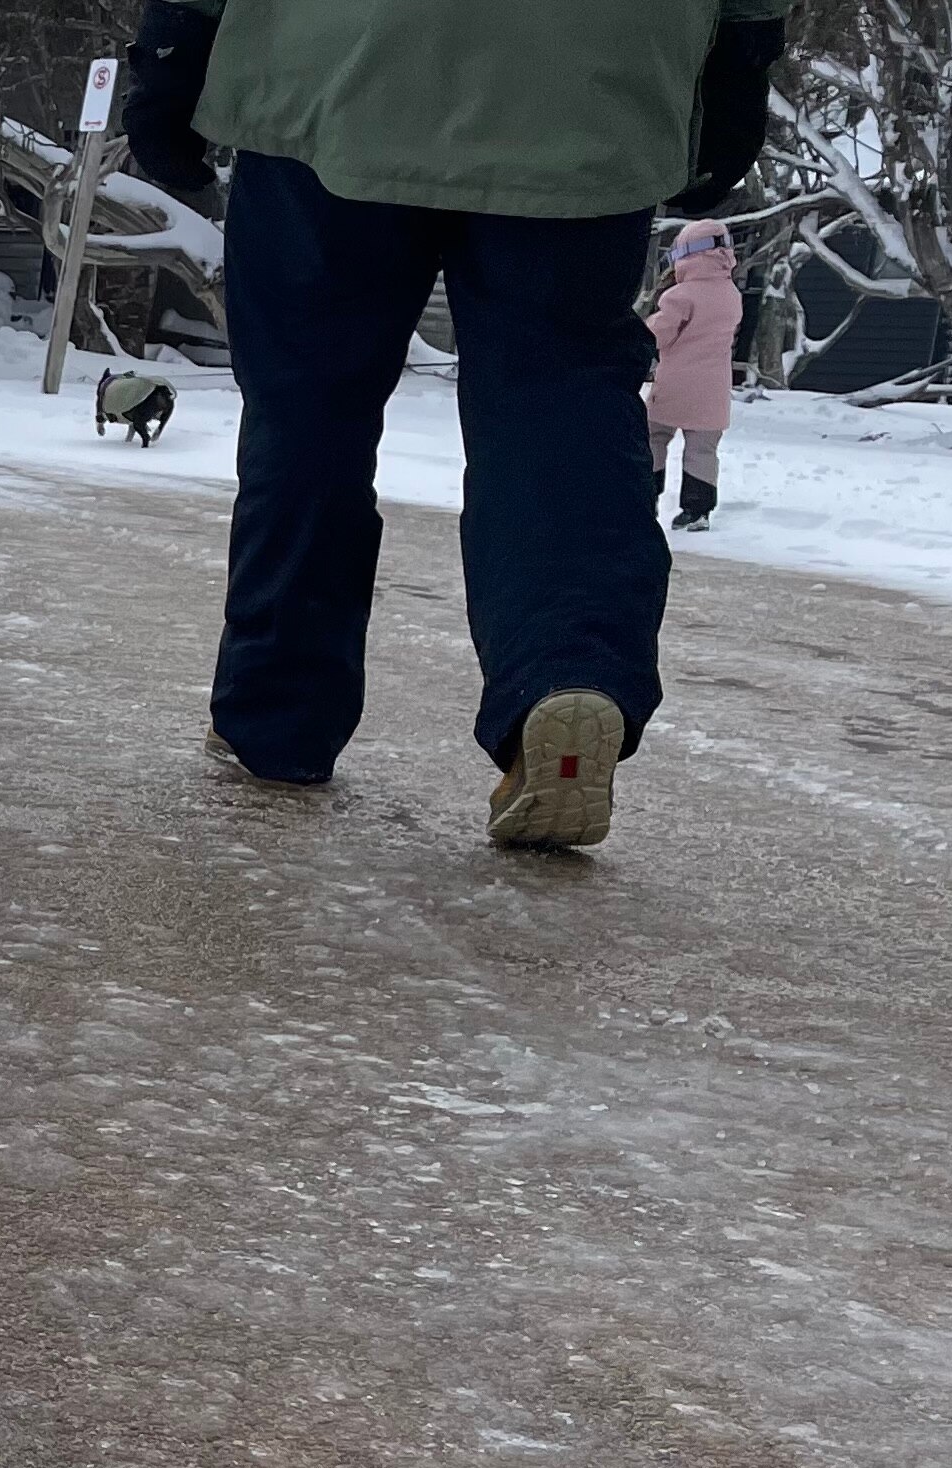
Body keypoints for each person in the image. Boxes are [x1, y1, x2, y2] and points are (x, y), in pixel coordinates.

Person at [122, 0, 787, 848]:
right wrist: (740, 54)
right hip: (590, 82)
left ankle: (276, 718)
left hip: (331, 71)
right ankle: (566, 675)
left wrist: (175, 45)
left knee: (309, 406)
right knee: (561, 398)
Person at [646, 218, 745, 531]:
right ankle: (697, 510)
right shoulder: (731, 295)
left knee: (654, 437)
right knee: (703, 449)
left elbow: (659, 335)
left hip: (676, 382)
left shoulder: (680, 296)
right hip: (714, 388)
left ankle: (646, 498)